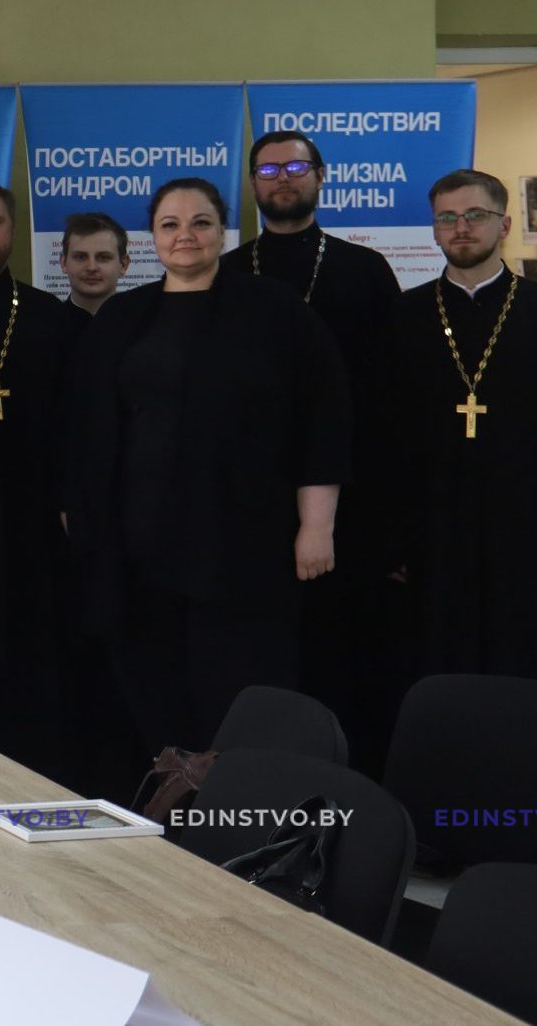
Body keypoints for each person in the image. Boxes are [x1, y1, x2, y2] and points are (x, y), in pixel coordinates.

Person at [66, 178, 350, 758]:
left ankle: (242, 805)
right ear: (152, 238)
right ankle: (173, 799)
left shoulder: (275, 311)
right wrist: (80, 518)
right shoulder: (122, 317)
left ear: (223, 232)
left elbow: (322, 418)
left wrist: (317, 526)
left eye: (200, 223)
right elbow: (84, 427)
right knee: (153, 694)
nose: (186, 235)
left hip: (244, 548)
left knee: (240, 694)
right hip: (140, 550)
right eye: (170, 224)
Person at [220, 129, 407, 766]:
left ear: (321, 177)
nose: (283, 179)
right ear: (252, 183)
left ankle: (355, 787)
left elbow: (393, 400)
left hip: (355, 498)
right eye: (269, 170)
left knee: (348, 652)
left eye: (296, 167)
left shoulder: (364, 270)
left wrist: (393, 523)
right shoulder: (227, 273)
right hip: (253, 501)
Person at [395, 170, 537, 686]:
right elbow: (387, 440)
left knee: (530, 685)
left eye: (475, 215)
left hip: (532, 537)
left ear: (505, 224)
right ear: (434, 229)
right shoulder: (405, 316)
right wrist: (391, 542)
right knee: (445, 682)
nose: (461, 228)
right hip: (436, 538)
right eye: (447, 218)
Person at [0, 182, 99, 785]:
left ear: (13, 230)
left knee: (39, 651)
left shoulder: (51, 317)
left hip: (37, 514)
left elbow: (81, 423)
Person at [59, 212, 129, 318]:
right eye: (80, 257)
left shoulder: (146, 325)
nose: (91, 267)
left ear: (123, 265)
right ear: (64, 263)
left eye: (103, 257)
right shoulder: (45, 325)